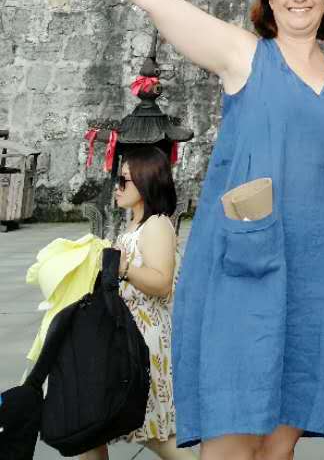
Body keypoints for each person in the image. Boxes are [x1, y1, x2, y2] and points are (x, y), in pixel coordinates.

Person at [27, 0, 324, 460]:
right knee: (230, 434)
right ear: (269, 2)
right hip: (246, 268)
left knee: (280, 440)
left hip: (317, 272)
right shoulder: (244, 55)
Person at [79, 146, 184, 460]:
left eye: (124, 181)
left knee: (155, 435)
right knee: (90, 425)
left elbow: (162, 282)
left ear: (146, 181)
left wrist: (122, 268)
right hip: (125, 338)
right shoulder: (134, 227)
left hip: (143, 345)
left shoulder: (156, 225)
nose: (117, 188)